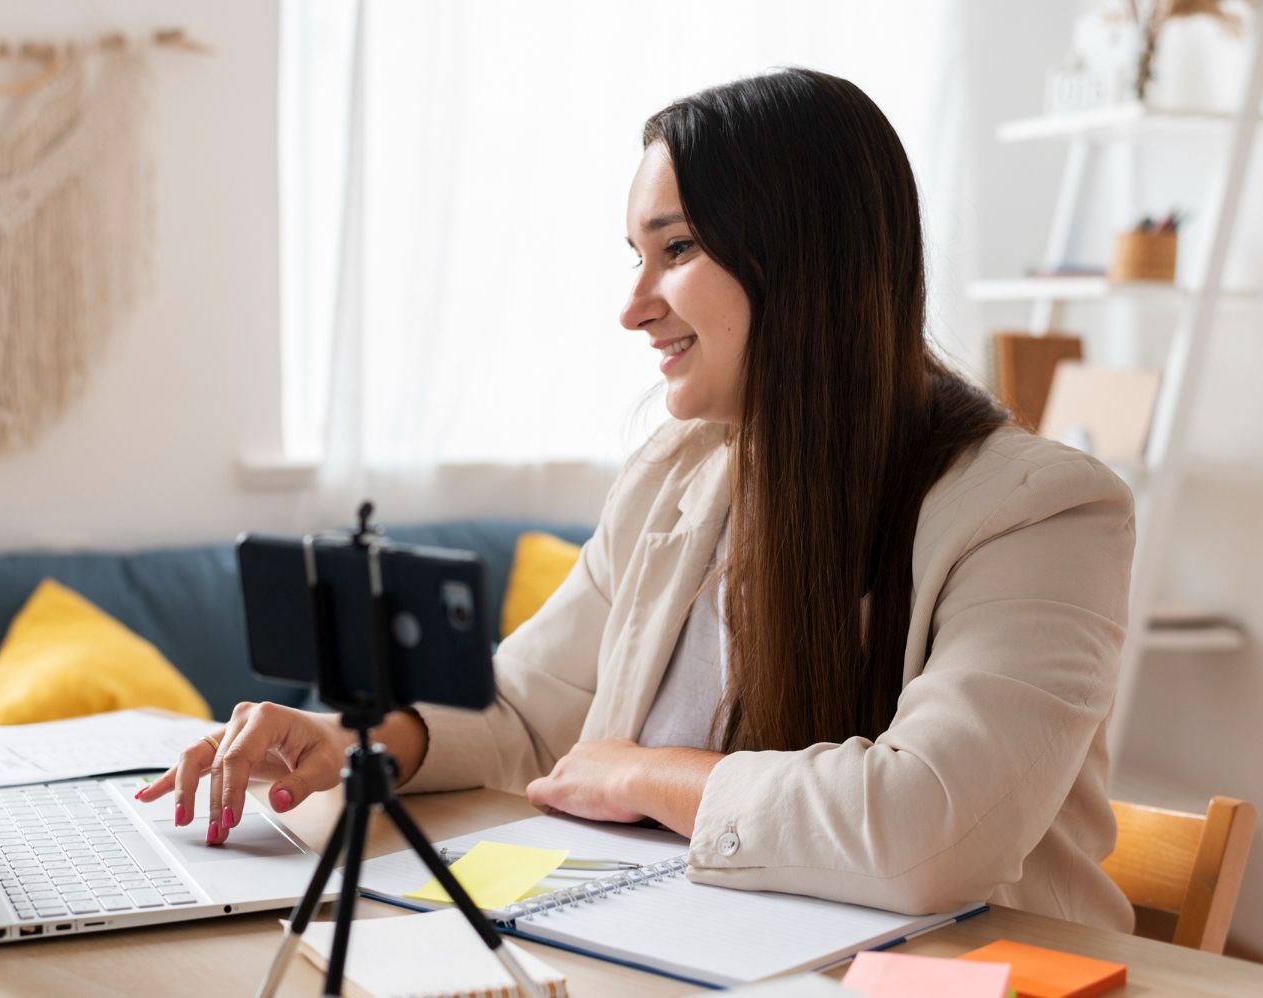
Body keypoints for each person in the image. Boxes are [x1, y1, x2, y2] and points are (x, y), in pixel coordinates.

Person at [137, 69, 1136, 931]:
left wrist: (641, 775)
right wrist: (363, 738)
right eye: (635, 254)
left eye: (678, 248)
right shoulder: (675, 471)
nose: (634, 303)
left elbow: (927, 827)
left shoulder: (1041, 512)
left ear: (805, 258)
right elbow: (532, 709)